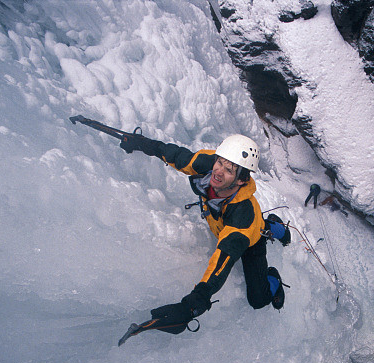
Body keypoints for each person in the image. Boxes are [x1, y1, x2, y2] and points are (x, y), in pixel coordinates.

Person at [119, 132, 291, 330]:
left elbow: (225, 257)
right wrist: (143, 144)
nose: (218, 171)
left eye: (228, 170)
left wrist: (198, 299)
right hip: (229, 225)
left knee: (259, 299)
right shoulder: (207, 165)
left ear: (241, 180)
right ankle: (270, 225)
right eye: (219, 163)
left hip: (249, 240)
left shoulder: (244, 216)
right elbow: (175, 155)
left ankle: (274, 272)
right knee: (257, 225)